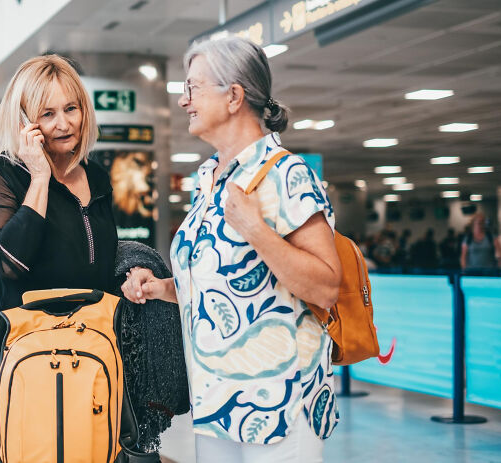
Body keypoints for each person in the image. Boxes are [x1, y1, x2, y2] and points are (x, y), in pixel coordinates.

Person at [122, 37, 341, 462]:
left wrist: (256, 230)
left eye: (193, 88)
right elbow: (220, 281)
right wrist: (163, 287)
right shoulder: (209, 178)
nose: (185, 101)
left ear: (234, 96)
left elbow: (326, 287)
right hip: (217, 397)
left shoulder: (286, 174)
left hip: (279, 399)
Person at [0, 54, 118, 450]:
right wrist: (39, 177)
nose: (63, 124)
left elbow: (100, 265)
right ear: (24, 122)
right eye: (48, 113)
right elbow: (8, 265)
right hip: (30, 357)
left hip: (95, 351)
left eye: (71, 109)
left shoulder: (97, 176)